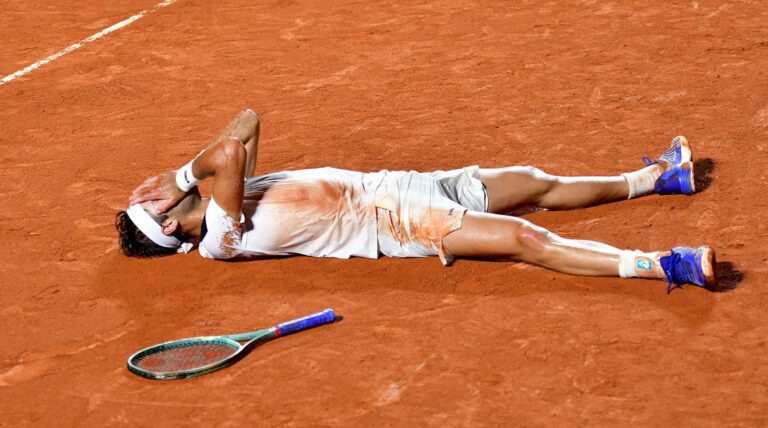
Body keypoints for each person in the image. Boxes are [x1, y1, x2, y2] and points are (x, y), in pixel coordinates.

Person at [117, 109, 716, 293]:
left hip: (407, 183)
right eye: (157, 201)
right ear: (169, 225)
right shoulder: (219, 236)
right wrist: (180, 173)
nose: (162, 191)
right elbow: (227, 151)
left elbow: (247, 121)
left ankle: (658, 180)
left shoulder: (229, 193)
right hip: (402, 224)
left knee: (536, 183)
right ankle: (666, 266)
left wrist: (183, 176)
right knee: (526, 240)